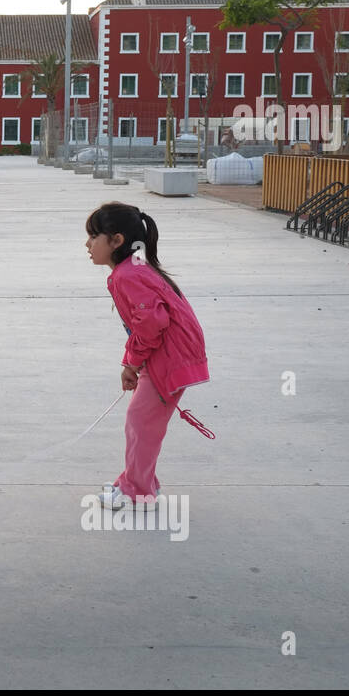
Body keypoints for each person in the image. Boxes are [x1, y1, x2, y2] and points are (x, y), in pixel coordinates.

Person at [84, 202, 209, 511]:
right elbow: (144, 327)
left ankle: (138, 492)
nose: (87, 244)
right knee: (142, 422)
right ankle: (139, 483)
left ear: (116, 241)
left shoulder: (128, 275)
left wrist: (132, 362)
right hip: (165, 355)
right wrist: (133, 362)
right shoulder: (133, 269)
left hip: (170, 358)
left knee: (141, 422)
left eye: (93, 236)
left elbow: (152, 325)